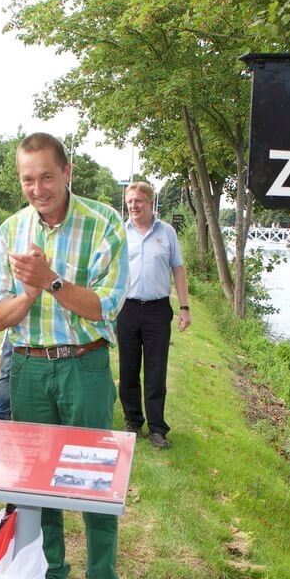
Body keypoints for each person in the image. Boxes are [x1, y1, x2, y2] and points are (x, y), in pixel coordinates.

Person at [0, 132, 128, 579]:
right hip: (27, 368)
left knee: (94, 482)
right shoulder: (10, 230)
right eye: (28, 179)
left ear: (67, 172)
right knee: (35, 483)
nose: (38, 188)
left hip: (84, 366)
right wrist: (27, 295)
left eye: (47, 176)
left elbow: (106, 306)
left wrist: (50, 281)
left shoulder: (104, 222)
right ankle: (50, 573)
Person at [118, 181, 191, 449]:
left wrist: (185, 307)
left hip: (157, 310)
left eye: (138, 201)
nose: (133, 206)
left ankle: (158, 428)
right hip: (127, 309)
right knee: (128, 370)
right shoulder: (121, 232)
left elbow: (179, 269)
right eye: (130, 202)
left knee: (156, 371)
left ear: (150, 203)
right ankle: (133, 421)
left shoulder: (167, 233)